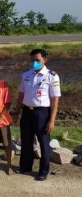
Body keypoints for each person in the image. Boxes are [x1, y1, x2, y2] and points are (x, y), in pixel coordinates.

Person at [12, 49, 61, 181]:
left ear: (45, 60)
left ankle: (43, 171)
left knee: (43, 143)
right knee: (26, 141)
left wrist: (52, 120)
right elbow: (21, 94)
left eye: (37, 60)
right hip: (27, 112)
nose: (34, 63)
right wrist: (16, 112)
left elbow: (55, 99)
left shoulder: (52, 76)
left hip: (42, 113)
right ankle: (25, 167)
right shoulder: (26, 74)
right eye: (32, 60)